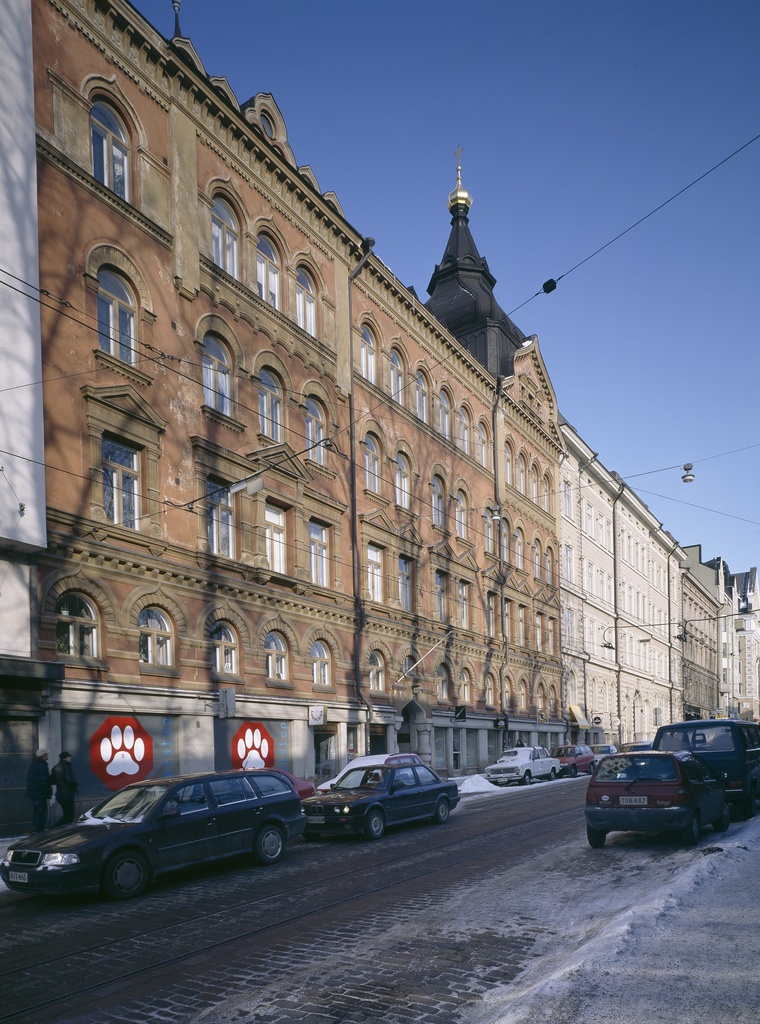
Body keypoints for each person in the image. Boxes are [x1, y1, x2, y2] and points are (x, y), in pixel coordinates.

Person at [26, 749, 52, 833]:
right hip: (40, 794)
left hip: (34, 794)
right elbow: (43, 782)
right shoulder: (42, 766)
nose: (47, 756)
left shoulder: (34, 765)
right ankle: (37, 831)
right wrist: (47, 792)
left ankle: (34, 829)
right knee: (42, 815)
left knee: (38, 813)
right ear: (43, 756)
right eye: (46, 754)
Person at [51, 751, 78, 825]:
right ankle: (55, 828)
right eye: (69, 757)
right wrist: (75, 785)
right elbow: (69, 780)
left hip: (60, 794)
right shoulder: (66, 767)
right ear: (66, 758)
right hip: (67, 794)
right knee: (69, 816)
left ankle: (60, 829)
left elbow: (52, 781)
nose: (70, 758)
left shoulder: (55, 767)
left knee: (67, 815)